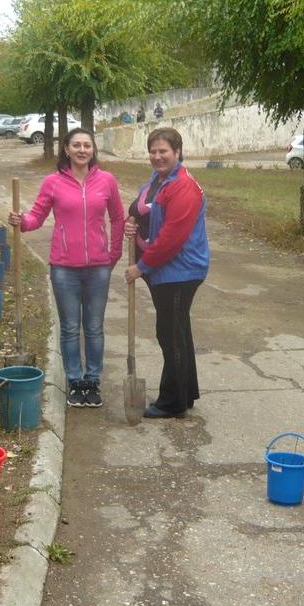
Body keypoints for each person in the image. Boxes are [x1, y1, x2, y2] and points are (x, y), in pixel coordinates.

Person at [9, 128, 125, 408]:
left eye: (87, 145)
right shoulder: (53, 182)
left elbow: (118, 218)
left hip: (98, 267)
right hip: (64, 268)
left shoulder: (106, 181)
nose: (82, 150)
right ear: (67, 149)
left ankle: (92, 381)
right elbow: (36, 217)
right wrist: (21, 221)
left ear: (93, 150)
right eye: (76, 145)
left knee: (94, 327)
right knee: (71, 328)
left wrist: (113, 254)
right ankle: (75, 382)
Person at [124, 127, 209, 419]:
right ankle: (186, 393)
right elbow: (141, 210)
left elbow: (172, 237)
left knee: (169, 334)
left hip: (179, 272)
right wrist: (131, 222)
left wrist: (140, 267)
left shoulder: (183, 187)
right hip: (165, 271)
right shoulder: (158, 180)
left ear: (178, 153)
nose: (157, 156)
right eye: (153, 151)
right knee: (178, 331)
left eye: (164, 151)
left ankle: (172, 402)